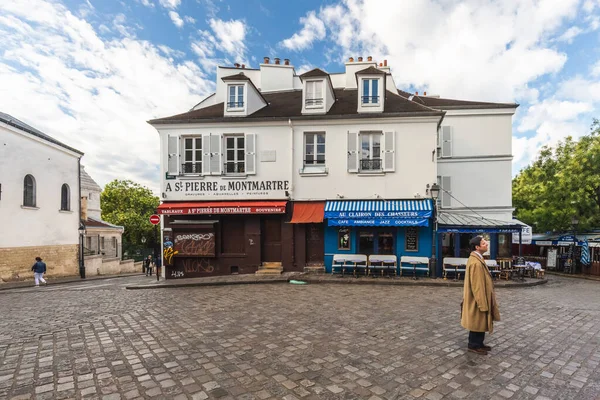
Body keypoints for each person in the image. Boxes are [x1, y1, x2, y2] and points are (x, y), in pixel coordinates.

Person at [461, 236, 501, 355]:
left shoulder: (478, 259)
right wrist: (482, 303)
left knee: (480, 321)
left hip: (480, 297)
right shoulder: (475, 262)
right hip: (478, 299)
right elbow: (477, 286)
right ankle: (473, 345)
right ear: (477, 247)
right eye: (484, 243)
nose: (486, 244)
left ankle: (479, 344)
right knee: (477, 321)